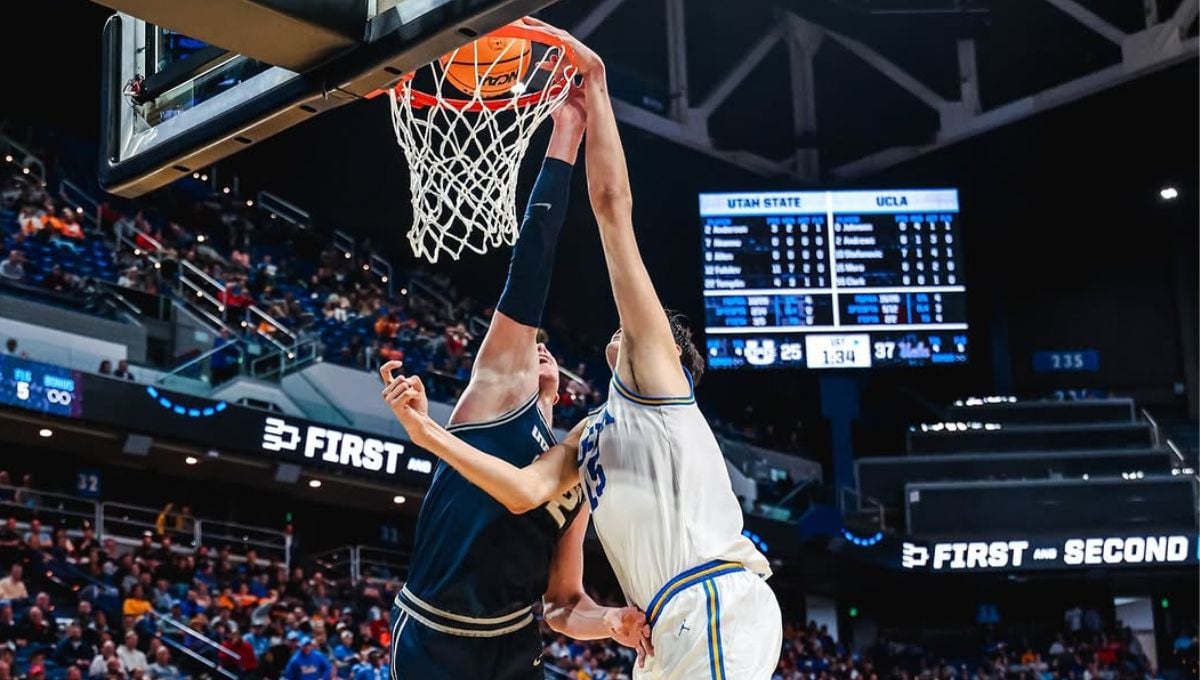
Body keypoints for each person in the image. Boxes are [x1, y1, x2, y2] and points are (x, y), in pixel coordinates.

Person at [382, 19, 782, 680]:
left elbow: (611, 207)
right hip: (458, 634)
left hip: (692, 605)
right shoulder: (584, 441)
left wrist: (591, 99)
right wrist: (564, 139)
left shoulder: (651, 391)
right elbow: (522, 494)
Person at [379, 89, 649, 680]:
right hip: (435, 636)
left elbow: (561, 603)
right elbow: (531, 267)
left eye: (549, 350)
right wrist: (566, 135)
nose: (538, 348)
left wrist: (609, 623)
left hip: (513, 648)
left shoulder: (578, 465)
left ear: (570, 387)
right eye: (535, 345)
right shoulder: (499, 393)